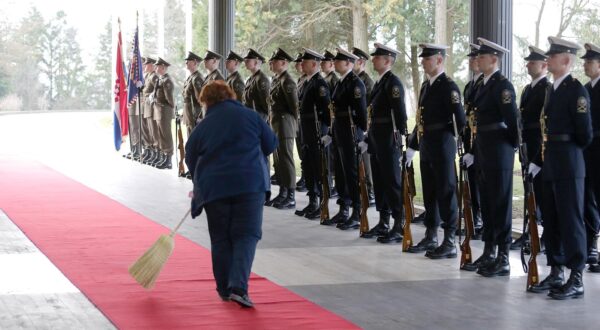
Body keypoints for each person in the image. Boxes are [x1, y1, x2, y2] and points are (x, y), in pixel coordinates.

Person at [185, 81, 278, 308]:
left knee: (221, 238)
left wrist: (200, 180)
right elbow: (271, 144)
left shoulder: (204, 125)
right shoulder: (251, 116)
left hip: (215, 189)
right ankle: (239, 287)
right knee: (246, 235)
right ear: (230, 95)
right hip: (250, 184)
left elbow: (190, 155)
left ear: (207, 102)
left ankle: (224, 288)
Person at [528, 37, 592, 299]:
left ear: (566, 60)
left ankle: (576, 276)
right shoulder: (550, 89)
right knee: (551, 218)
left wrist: (564, 150)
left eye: (552, 57)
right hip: (551, 159)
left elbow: (585, 134)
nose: (548, 60)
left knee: (571, 219)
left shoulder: (576, 90)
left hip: (568, 161)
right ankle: (556, 270)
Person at [462, 38, 518, 277]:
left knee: (500, 203)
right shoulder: (481, 85)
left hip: (499, 150)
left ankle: (503, 255)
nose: (478, 59)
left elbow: (513, 122)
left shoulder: (502, 86)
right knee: (486, 202)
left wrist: (512, 147)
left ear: (494, 59)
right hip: (483, 148)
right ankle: (489, 250)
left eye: (482, 57)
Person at [404, 44, 466, 256]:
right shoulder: (426, 86)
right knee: (429, 191)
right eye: (423, 58)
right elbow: (420, 119)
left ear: (439, 60)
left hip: (442, 144)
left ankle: (449, 240)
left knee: (446, 191)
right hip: (427, 144)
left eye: (427, 58)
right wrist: (413, 146)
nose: (422, 61)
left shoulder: (449, 86)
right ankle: (431, 235)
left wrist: (453, 140)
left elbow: (460, 120)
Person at [359, 43, 407, 243]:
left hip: (388, 137)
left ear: (387, 61)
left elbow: (400, 113)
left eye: (377, 57)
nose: (374, 60)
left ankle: (399, 223)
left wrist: (401, 136)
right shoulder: (380, 82)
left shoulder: (393, 83)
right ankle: (383, 220)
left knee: (392, 182)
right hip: (377, 137)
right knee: (379, 181)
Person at [511, 46, 550, 251]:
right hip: (526, 143)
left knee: (542, 192)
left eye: (532, 62)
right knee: (530, 191)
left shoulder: (547, 89)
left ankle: (545, 236)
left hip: (539, 145)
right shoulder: (528, 89)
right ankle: (530, 231)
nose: (527, 64)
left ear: (544, 65)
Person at [325, 48, 367, 230]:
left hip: (351, 132)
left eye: (339, 61)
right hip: (340, 132)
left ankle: (357, 212)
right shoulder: (341, 83)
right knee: (341, 173)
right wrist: (331, 133)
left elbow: (361, 113)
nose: (334, 63)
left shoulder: (355, 84)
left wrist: (361, 134)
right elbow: (334, 111)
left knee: (351, 173)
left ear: (349, 63)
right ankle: (343, 208)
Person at [294, 48, 331, 219]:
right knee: (307, 165)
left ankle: (322, 203)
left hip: (316, 128)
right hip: (305, 128)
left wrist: (326, 132)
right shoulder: (306, 81)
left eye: (305, 62)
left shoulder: (319, 83)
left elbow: (325, 110)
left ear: (314, 64)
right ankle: (312, 201)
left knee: (318, 167)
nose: (301, 64)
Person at [266, 48, 299, 209]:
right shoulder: (277, 79)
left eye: (274, 61)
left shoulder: (288, 81)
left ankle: (291, 196)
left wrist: (293, 125)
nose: (271, 64)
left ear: (284, 63)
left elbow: (294, 107)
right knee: (278, 162)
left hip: (285, 125)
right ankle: (283, 192)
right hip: (276, 125)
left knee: (286, 160)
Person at [581, 43, 600, 272]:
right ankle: (590, 245)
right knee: (587, 199)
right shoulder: (585, 89)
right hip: (586, 150)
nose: (585, 65)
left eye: (589, 61)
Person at [461, 43, 484, 239]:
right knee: (472, 182)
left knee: (480, 182)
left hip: (481, 140)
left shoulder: (485, 83)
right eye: (471, 58)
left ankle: (480, 218)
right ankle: (473, 216)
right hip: (469, 137)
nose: (472, 61)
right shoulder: (469, 86)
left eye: (475, 57)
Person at [352, 47, 376, 206]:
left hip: (364, 126)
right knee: (358, 161)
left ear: (360, 62)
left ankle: (370, 191)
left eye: (353, 60)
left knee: (366, 161)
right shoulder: (355, 80)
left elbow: (368, 107)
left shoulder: (366, 81)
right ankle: (362, 190)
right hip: (355, 125)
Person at [152, 57, 175, 170]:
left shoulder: (167, 80)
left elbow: (169, 98)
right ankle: (164, 156)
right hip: (159, 109)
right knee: (160, 134)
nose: (155, 68)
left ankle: (168, 159)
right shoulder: (160, 79)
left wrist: (172, 108)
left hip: (164, 110)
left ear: (163, 67)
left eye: (157, 66)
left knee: (166, 135)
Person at [140, 57, 160, 165]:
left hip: (151, 105)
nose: (144, 66)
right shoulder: (148, 76)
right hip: (146, 104)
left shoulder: (154, 76)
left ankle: (156, 153)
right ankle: (148, 151)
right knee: (146, 129)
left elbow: (155, 92)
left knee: (153, 131)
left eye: (147, 64)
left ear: (152, 65)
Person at [242, 48, 271, 121]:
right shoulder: (251, 79)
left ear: (255, 63)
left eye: (248, 60)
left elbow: (266, 105)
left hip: (258, 119)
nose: (245, 62)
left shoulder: (261, 79)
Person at [182, 51, 204, 137]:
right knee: (190, 137)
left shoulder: (197, 78)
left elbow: (200, 99)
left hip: (194, 114)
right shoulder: (191, 77)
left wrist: (200, 116)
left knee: (194, 138)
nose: (186, 62)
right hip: (189, 113)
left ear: (195, 62)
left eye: (188, 60)